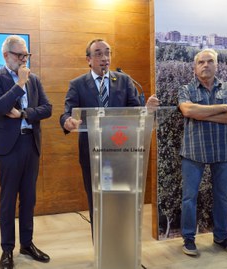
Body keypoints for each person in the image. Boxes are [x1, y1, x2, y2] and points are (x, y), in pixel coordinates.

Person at [59, 38, 159, 231]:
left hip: (121, 151)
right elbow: (67, 112)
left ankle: (121, 245)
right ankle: (101, 250)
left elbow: (136, 112)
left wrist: (147, 109)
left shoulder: (123, 80)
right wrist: (67, 121)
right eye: (98, 54)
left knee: (120, 199)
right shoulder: (78, 84)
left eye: (108, 53)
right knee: (96, 201)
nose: (104, 58)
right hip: (91, 151)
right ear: (88, 59)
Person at [0, 35, 52, 269]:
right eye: (19, 55)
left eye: (26, 55)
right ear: (6, 56)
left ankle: (27, 244)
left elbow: (47, 109)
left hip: (30, 144)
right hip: (7, 148)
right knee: (8, 199)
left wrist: (24, 114)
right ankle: (7, 249)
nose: (24, 60)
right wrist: (19, 84)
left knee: (29, 199)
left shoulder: (35, 79)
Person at [178, 48, 227, 257]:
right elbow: (189, 111)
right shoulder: (185, 89)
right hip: (194, 151)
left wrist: (203, 114)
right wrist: (223, 108)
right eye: (201, 62)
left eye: (210, 62)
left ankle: (221, 237)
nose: (205, 65)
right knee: (189, 197)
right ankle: (188, 238)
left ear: (216, 65)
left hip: (224, 150)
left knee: (222, 197)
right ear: (195, 67)